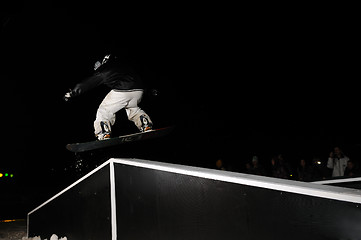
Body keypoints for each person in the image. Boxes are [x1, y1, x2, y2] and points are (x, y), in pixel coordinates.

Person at [64, 54, 153, 140]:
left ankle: (103, 132)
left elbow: (90, 82)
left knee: (104, 110)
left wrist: (72, 92)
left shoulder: (106, 69)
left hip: (123, 89)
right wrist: (150, 90)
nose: (97, 68)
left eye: (97, 66)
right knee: (132, 108)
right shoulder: (122, 64)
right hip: (139, 90)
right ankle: (145, 124)